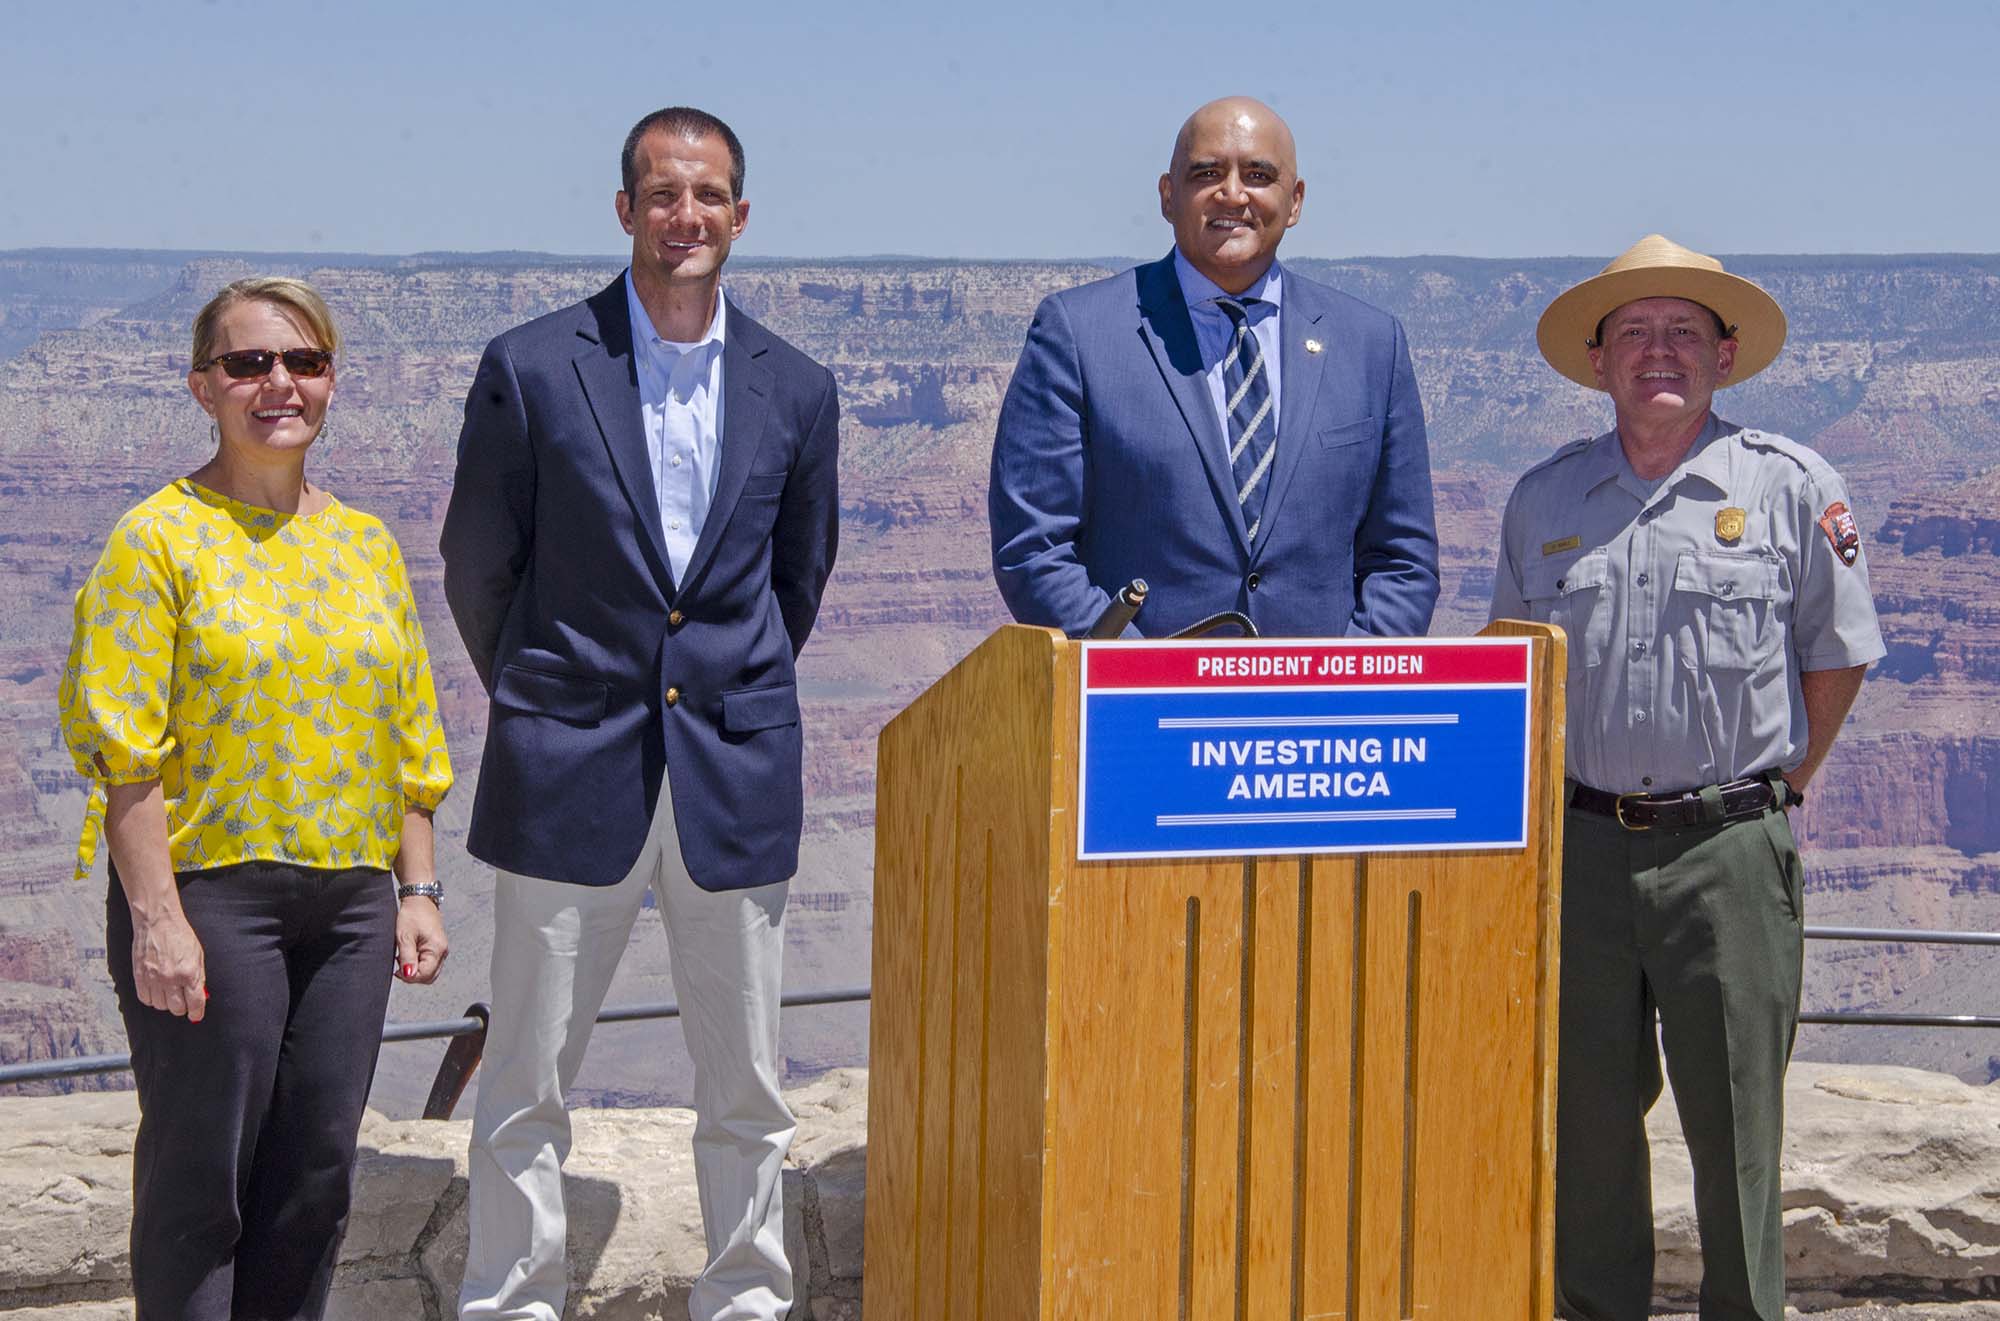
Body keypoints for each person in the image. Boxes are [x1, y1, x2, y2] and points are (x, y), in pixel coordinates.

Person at [440, 106, 839, 1321]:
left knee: (749, 1085)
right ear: (623, 210)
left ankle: (747, 1300)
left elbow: (795, 579)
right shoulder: (533, 363)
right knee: (524, 1076)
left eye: (707, 195)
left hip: (730, 768)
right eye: (662, 194)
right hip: (570, 765)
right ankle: (511, 1303)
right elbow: (477, 564)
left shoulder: (798, 387)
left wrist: (718, 692)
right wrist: (544, 700)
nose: (685, 217)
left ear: (741, 215)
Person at [1490, 235, 1885, 1320]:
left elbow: (1837, 652)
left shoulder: (1789, 484)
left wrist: (1781, 786)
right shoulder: (1543, 499)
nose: (1655, 351)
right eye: (1631, 332)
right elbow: (1513, 675)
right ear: (1597, 356)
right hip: (1579, 851)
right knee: (1585, 1126)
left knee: (1736, 1128)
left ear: (1720, 355)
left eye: (1679, 332)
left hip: (1727, 848)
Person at [57, 276, 453, 1319]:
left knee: (315, 1181)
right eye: (248, 363)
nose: (279, 384)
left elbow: (404, 732)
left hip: (353, 906)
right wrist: (157, 919)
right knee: (202, 1191)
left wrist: (419, 889)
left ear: (331, 381)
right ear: (203, 386)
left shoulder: (364, 544)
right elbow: (123, 750)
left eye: (304, 361)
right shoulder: (157, 538)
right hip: (212, 899)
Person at [989, 95, 1438, 639]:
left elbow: (1403, 558)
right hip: (1140, 709)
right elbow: (1032, 545)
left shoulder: (1370, 345)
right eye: (1207, 172)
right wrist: (1141, 679)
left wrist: (1347, 678)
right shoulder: (1080, 334)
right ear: (1167, 196)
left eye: (1258, 174)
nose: (1232, 193)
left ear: (1294, 202)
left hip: (1320, 714)